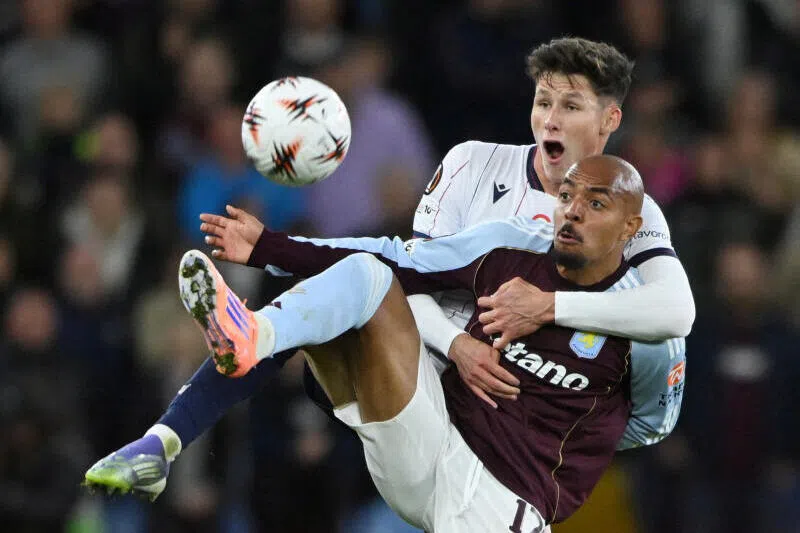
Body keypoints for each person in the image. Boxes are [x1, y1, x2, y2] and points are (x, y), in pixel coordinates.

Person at [84, 37, 693, 506]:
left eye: (571, 106)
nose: (550, 120)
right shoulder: (473, 165)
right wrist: (456, 342)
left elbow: (674, 312)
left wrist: (549, 315)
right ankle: (163, 440)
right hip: (421, 365)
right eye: (543, 102)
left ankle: (250, 356)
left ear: (610, 120)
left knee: (354, 284)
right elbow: (412, 272)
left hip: (502, 438)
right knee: (360, 279)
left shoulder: (631, 214)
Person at [172, 155, 686, 531]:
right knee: (369, 275)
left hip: (504, 504)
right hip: (432, 438)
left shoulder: (642, 325)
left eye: (595, 203)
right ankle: (254, 336)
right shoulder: (508, 249)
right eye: (567, 196)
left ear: (631, 227)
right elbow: (400, 257)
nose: (572, 212)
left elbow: (652, 424)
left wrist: (570, 437)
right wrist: (268, 247)